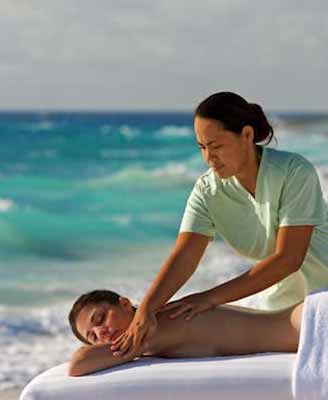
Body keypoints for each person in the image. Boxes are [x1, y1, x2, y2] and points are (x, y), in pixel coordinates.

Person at [110, 91, 328, 359]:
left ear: (247, 135)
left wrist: (209, 298)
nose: (208, 158)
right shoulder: (207, 190)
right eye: (202, 147)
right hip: (277, 311)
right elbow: (185, 255)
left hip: (323, 300)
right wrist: (146, 310)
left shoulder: (295, 171)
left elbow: (288, 259)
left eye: (216, 146)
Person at [68, 289, 302, 377]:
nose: (102, 332)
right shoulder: (157, 330)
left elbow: (78, 363)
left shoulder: (158, 324)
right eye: (93, 337)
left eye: (100, 318)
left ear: (125, 304)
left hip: (308, 325)